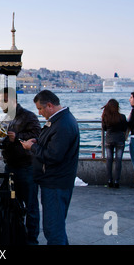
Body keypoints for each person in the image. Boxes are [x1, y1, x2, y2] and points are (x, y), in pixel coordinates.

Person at [21, 90, 79, 245]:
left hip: (55, 183)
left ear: (50, 105)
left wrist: (31, 148)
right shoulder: (60, 120)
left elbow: (53, 155)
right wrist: (37, 142)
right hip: (55, 181)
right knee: (56, 227)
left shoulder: (62, 125)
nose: (39, 113)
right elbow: (52, 145)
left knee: (53, 230)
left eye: (40, 109)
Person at [0, 87, 41, 245]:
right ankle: (16, 234)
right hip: (11, 166)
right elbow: (7, 141)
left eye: (3, 101)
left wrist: (17, 137)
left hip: (26, 167)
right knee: (12, 204)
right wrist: (0, 142)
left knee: (31, 206)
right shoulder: (7, 118)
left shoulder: (29, 116)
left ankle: (31, 240)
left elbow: (37, 136)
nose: (1, 104)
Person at [101, 99, 128, 188]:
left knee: (109, 159)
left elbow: (104, 128)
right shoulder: (122, 117)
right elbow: (124, 128)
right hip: (120, 140)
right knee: (118, 160)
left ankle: (109, 180)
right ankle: (117, 181)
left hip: (109, 139)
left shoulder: (105, 117)